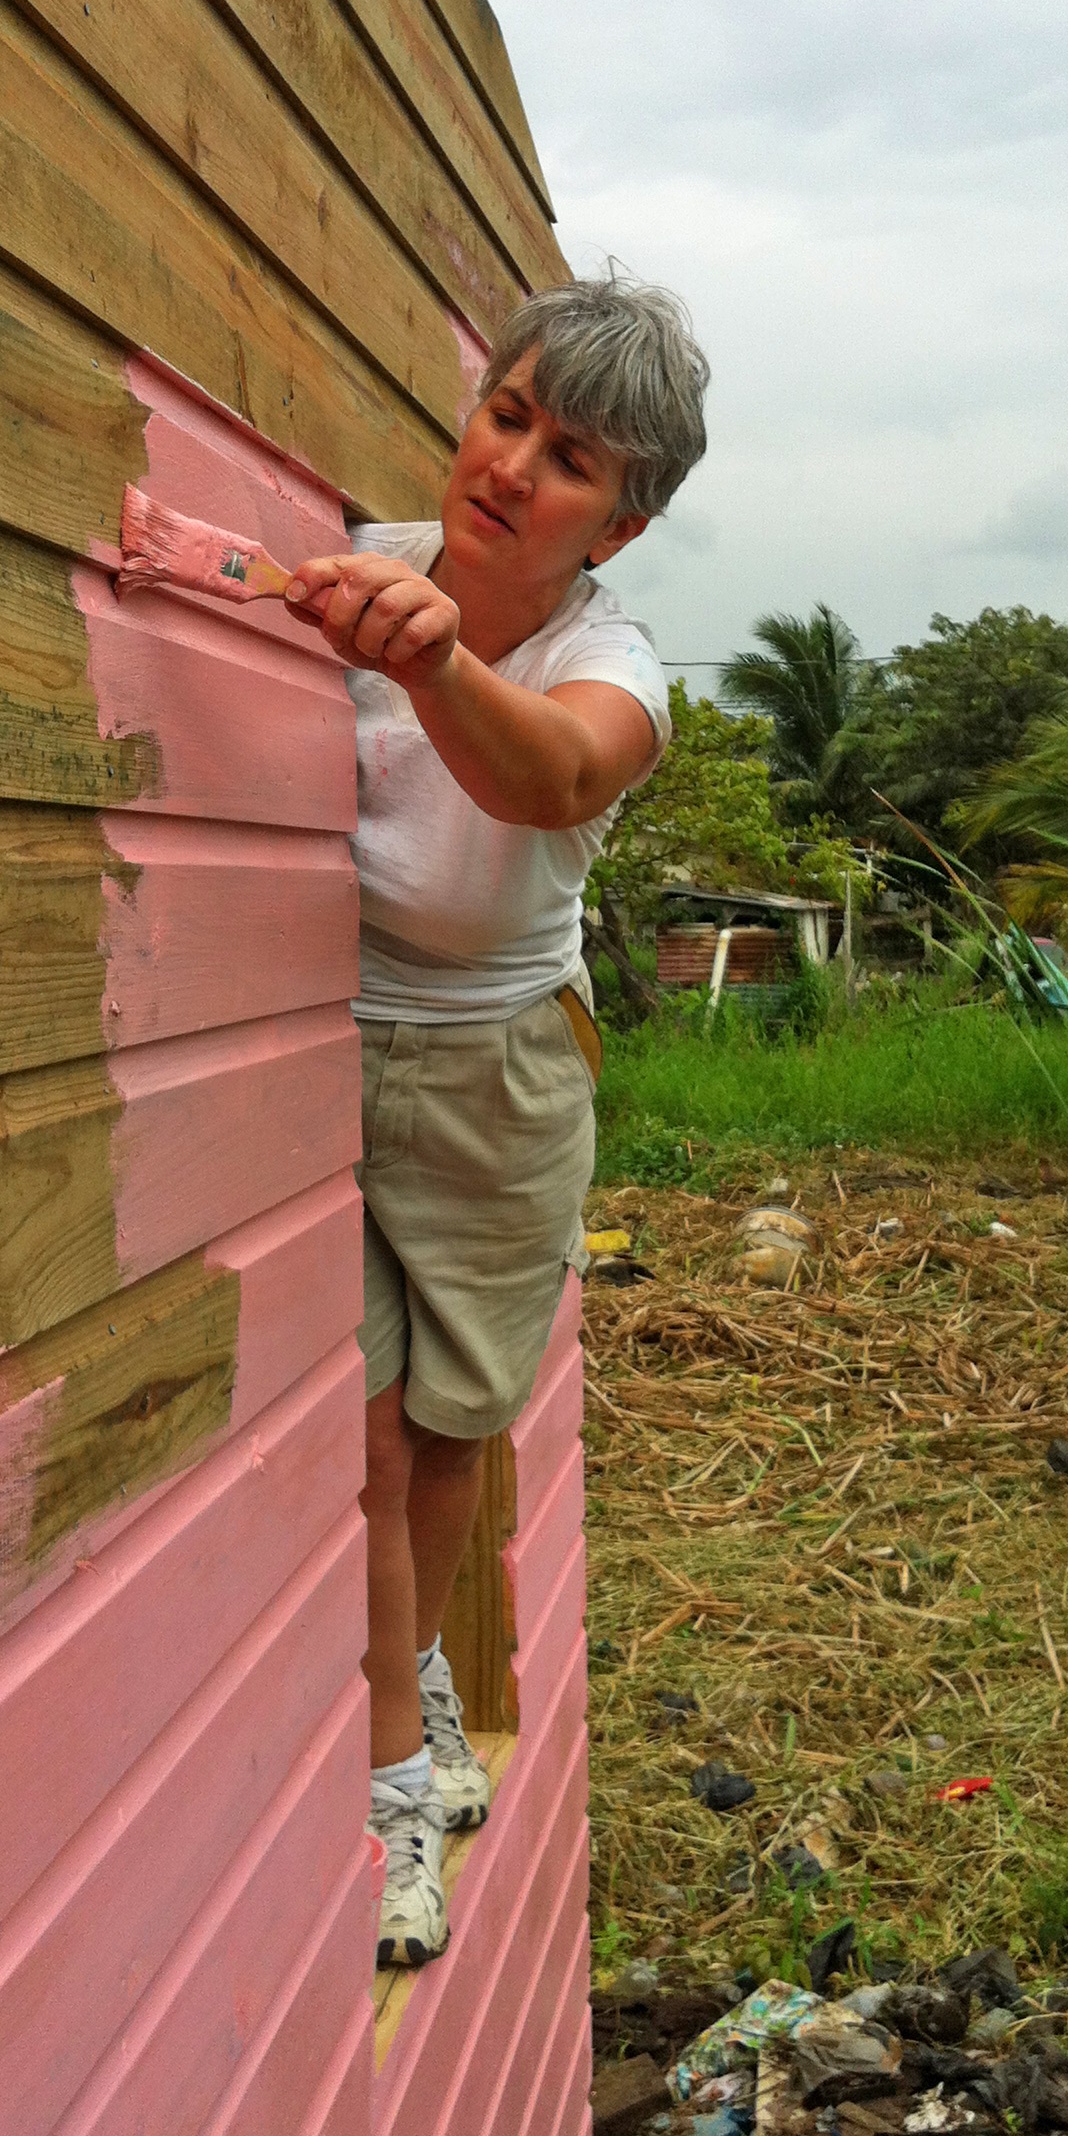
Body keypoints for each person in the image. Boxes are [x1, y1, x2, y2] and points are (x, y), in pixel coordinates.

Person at [285, 273, 711, 1970]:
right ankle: (399, 1790)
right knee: (373, 1442)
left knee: (454, 1433)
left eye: (574, 455)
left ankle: (428, 1680)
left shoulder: (612, 662)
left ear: (629, 513)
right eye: (509, 414)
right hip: (323, 1046)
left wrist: (436, 659)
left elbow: (550, 776)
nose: (515, 464)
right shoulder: (363, 555)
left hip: (499, 1079)